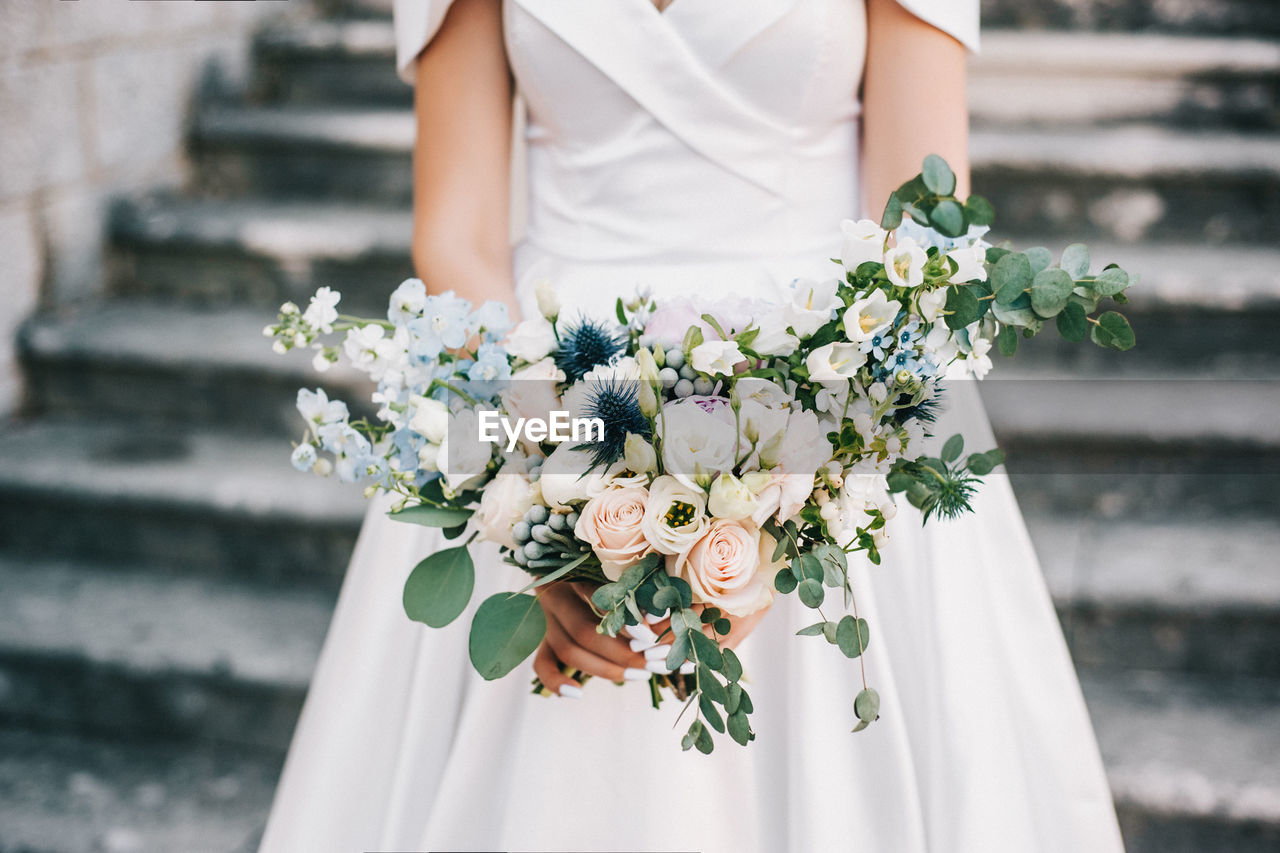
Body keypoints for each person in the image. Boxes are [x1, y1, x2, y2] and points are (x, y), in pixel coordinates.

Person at [259, 1, 1125, 850]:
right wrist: (541, 512)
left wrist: (786, 510)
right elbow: (459, 238)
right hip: (541, 372)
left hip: (828, 378)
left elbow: (922, 240)